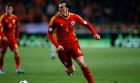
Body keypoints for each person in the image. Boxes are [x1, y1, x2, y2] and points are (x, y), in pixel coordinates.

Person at [47, 0, 100, 83]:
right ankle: (69, 70)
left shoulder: (74, 17)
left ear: (67, 8)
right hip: (62, 49)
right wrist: (57, 45)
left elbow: (87, 24)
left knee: (82, 64)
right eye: (59, 7)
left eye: (61, 7)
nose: (59, 9)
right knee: (72, 71)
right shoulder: (54, 19)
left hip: (73, 44)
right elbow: (49, 34)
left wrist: (95, 33)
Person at [0, 4, 24, 74]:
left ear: (12, 10)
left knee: (16, 52)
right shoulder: (2, 18)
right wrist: (3, 36)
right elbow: (0, 29)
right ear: (5, 10)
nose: (8, 11)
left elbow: (17, 29)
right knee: (2, 54)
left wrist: (17, 37)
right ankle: (0, 69)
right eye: (7, 9)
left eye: (10, 9)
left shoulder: (15, 18)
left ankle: (18, 69)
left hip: (12, 38)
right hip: (4, 39)